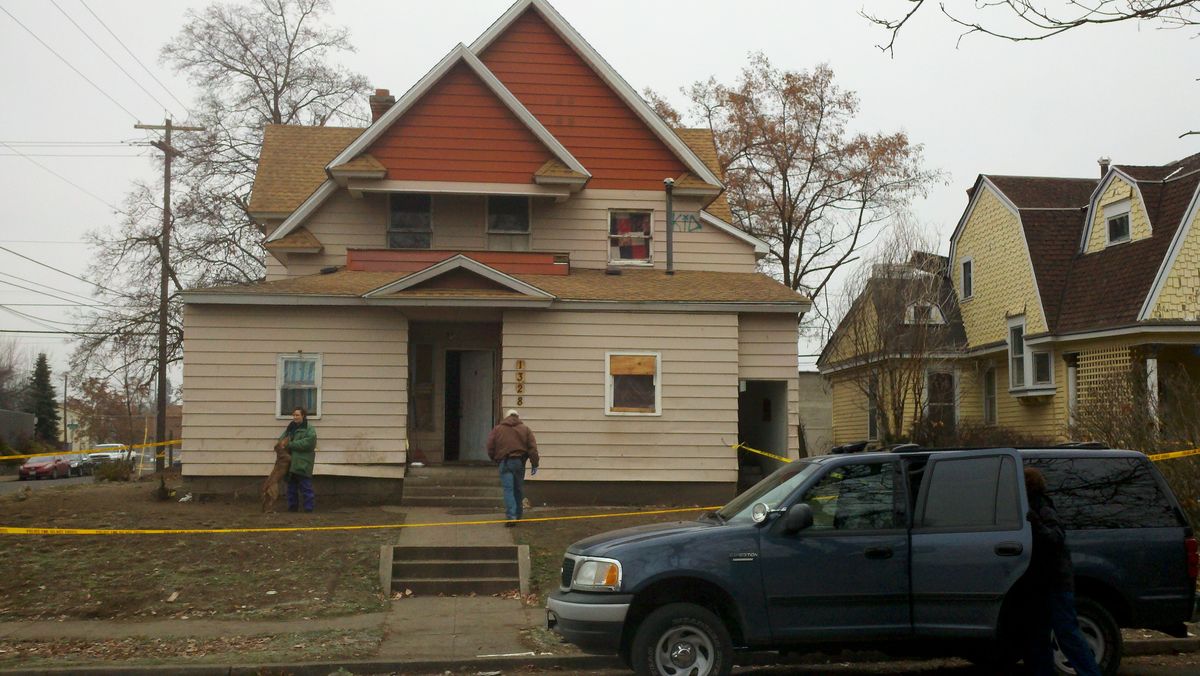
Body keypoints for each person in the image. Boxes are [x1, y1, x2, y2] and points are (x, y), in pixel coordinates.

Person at [1022, 467, 1102, 676]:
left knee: (1065, 634)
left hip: (1054, 584)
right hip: (1044, 584)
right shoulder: (1037, 505)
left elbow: (1055, 538)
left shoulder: (1042, 508)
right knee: (1040, 637)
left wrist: (1036, 525)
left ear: (1028, 486)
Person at [486, 409, 539, 527]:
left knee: (508, 490)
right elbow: (532, 449)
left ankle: (511, 516)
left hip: (504, 462)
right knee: (518, 489)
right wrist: (534, 463)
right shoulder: (525, 429)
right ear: (517, 417)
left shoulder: (498, 429)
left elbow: (490, 446)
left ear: (506, 417)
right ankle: (518, 515)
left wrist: (495, 459)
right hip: (518, 462)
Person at [278, 407, 317, 513]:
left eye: (297, 415)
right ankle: (292, 507)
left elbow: (309, 444)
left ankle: (308, 508)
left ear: (303, 416)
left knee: (306, 487)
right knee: (291, 487)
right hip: (290, 463)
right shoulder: (290, 428)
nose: (295, 417)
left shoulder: (309, 429)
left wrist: (290, 445)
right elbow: (281, 440)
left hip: (302, 463)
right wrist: (282, 443)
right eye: (294, 415)